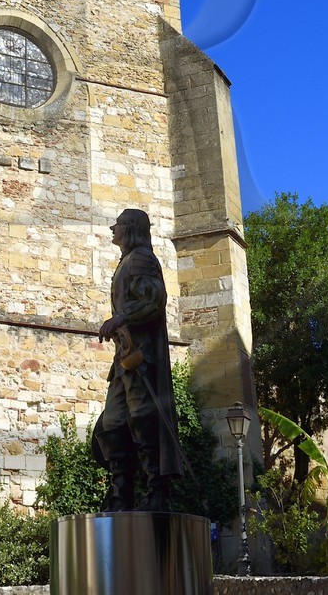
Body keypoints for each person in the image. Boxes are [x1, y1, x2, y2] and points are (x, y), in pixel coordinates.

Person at [92, 208, 186, 511]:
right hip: (125, 359)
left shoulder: (142, 260)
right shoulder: (127, 262)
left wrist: (121, 317)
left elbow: (153, 300)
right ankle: (121, 494)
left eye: (117, 224)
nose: (112, 228)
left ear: (130, 228)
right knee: (113, 422)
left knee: (143, 421)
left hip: (141, 357)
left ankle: (155, 492)